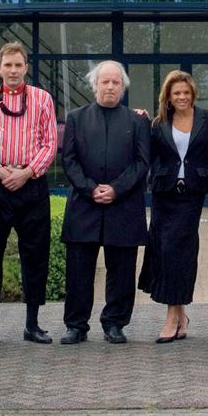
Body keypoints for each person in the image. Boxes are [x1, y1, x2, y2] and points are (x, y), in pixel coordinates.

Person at [0, 41, 58, 345]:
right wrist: (1, 172)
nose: (13, 70)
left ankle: (32, 324)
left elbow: (49, 144)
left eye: (19, 65)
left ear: (26, 67)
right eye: (8, 65)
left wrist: (27, 172)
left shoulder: (43, 100)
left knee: (35, 255)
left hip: (31, 184)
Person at [59, 60, 151, 344]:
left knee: (122, 272)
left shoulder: (137, 121)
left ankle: (115, 323)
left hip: (123, 206)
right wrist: (90, 189)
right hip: (84, 206)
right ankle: (76, 325)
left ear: (123, 87)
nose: (110, 87)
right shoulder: (76, 118)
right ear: (95, 85)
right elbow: (69, 160)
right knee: (79, 271)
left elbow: (142, 162)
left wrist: (115, 189)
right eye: (105, 82)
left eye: (115, 82)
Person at [138, 70, 208, 343]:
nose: (182, 97)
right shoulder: (158, 123)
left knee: (179, 251)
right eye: (176, 93)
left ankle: (170, 318)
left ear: (193, 94)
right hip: (164, 195)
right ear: (168, 96)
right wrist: (136, 119)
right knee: (164, 250)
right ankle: (180, 315)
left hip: (191, 195)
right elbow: (143, 152)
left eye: (186, 92)